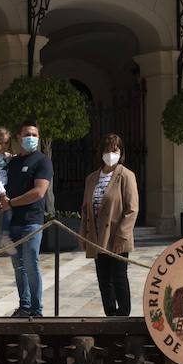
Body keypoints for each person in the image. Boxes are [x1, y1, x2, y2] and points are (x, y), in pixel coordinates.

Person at [0, 119, 53, 317]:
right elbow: (3, 188)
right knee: (18, 267)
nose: (31, 138)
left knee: (31, 263)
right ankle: (25, 306)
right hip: (13, 223)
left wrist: (11, 203)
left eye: (35, 135)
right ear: (19, 138)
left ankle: (36, 310)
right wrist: (1, 202)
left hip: (32, 222)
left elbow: (39, 192)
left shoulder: (42, 161)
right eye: (27, 134)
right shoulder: (13, 163)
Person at [81, 134, 139, 316]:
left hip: (116, 237)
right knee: (103, 279)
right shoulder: (91, 178)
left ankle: (123, 316)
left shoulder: (126, 176)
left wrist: (122, 235)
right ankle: (109, 314)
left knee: (119, 277)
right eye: (107, 150)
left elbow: (132, 209)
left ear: (120, 152)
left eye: (114, 150)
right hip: (97, 236)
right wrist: (83, 234)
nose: (110, 154)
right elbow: (85, 209)